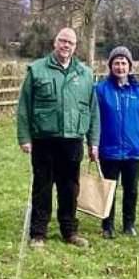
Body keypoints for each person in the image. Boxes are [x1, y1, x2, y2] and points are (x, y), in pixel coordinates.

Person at [17, 27, 99, 248]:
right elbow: (24, 106)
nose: (66, 45)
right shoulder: (37, 70)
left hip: (72, 141)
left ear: (75, 46)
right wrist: (25, 137)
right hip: (44, 140)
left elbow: (93, 111)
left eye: (70, 42)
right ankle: (38, 233)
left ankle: (69, 231)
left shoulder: (85, 74)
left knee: (70, 188)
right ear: (55, 43)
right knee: (42, 187)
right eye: (63, 41)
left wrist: (94, 142)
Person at [95, 46, 139, 239]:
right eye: (116, 63)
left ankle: (129, 224)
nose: (120, 67)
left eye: (124, 63)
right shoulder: (101, 89)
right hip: (108, 149)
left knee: (131, 189)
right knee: (108, 189)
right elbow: (93, 117)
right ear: (110, 66)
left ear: (130, 66)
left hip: (133, 150)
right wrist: (94, 142)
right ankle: (108, 225)